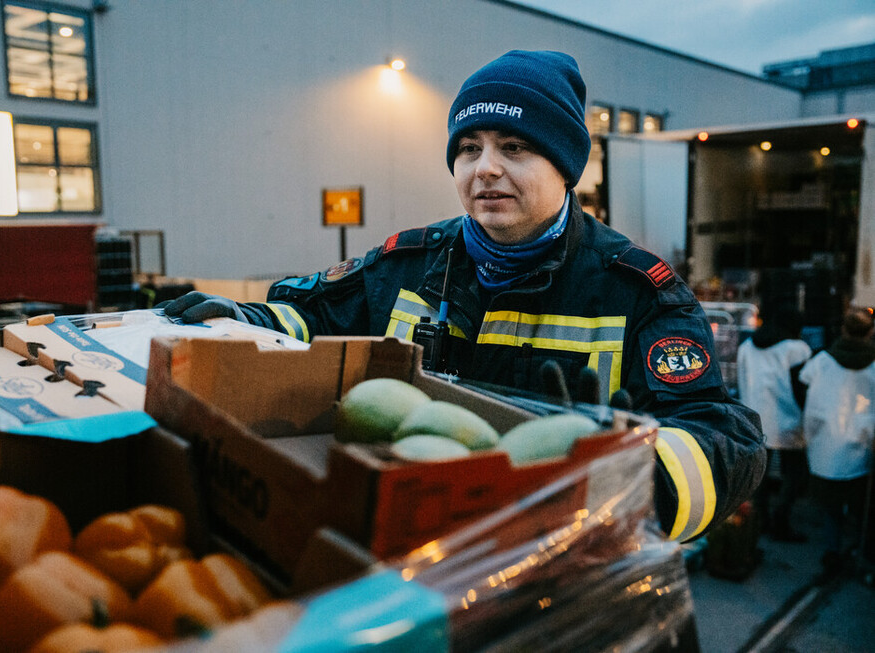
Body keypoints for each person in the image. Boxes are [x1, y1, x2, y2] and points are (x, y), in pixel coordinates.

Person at [161, 49, 765, 542]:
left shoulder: (635, 291)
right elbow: (313, 314)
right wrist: (247, 319)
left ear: (565, 166)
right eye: (469, 147)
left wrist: (630, 486)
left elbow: (725, 435)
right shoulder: (408, 265)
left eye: (515, 147)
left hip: (554, 559)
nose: (485, 168)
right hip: (410, 542)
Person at [799, 306, 875, 573]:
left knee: (831, 507)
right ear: (871, 332)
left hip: (827, 444)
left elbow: (803, 377)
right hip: (863, 445)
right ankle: (863, 551)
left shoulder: (823, 360)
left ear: (843, 329)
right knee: (860, 506)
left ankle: (832, 551)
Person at [736, 307, 812, 541]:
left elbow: (741, 382)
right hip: (788, 420)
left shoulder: (746, 347)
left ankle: (760, 521)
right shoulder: (798, 349)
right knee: (793, 475)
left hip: (755, 420)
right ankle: (781, 521)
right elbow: (802, 388)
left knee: (760, 475)